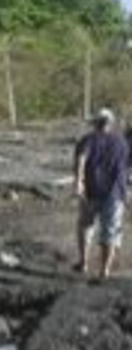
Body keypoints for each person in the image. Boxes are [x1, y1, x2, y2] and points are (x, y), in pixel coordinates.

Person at [74, 107, 129, 280]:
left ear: (95, 123)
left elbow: (82, 158)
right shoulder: (122, 142)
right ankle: (104, 271)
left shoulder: (88, 139)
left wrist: (79, 181)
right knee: (111, 231)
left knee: (85, 225)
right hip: (115, 192)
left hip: (91, 190)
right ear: (110, 123)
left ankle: (83, 262)